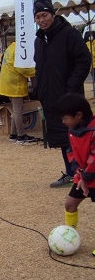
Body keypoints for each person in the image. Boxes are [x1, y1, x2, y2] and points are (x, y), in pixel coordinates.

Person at [33, 0, 92, 188]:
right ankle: (70, 172)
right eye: (38, 17)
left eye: (44, 15)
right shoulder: (39, 40)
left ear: (52, 14)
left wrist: (71, 87)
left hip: (69, 97)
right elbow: (39, 67)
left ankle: (82, 172)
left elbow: (84, 60)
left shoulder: (68, 34)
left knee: (75, 135)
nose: (41, 20)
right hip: (50, 96)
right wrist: (39, 90)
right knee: (61, 136)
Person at [55, 93, 95, 255]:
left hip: (90, 176)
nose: (63, 122)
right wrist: (79, 174)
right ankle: (70, 237)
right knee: (70, 204)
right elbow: (72, 155)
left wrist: (85, 178)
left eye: (65, 118)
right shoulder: (72, 130)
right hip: (83, 177)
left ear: (79, 115)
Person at [0, 42, 37, 143]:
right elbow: (22, 68)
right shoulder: (19, 50)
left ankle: (13, 134)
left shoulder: (11, 47)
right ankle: (21, 135)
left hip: (8, 83)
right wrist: (35, 71)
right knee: (18, 110)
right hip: (15, 84)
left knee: (16, 110)